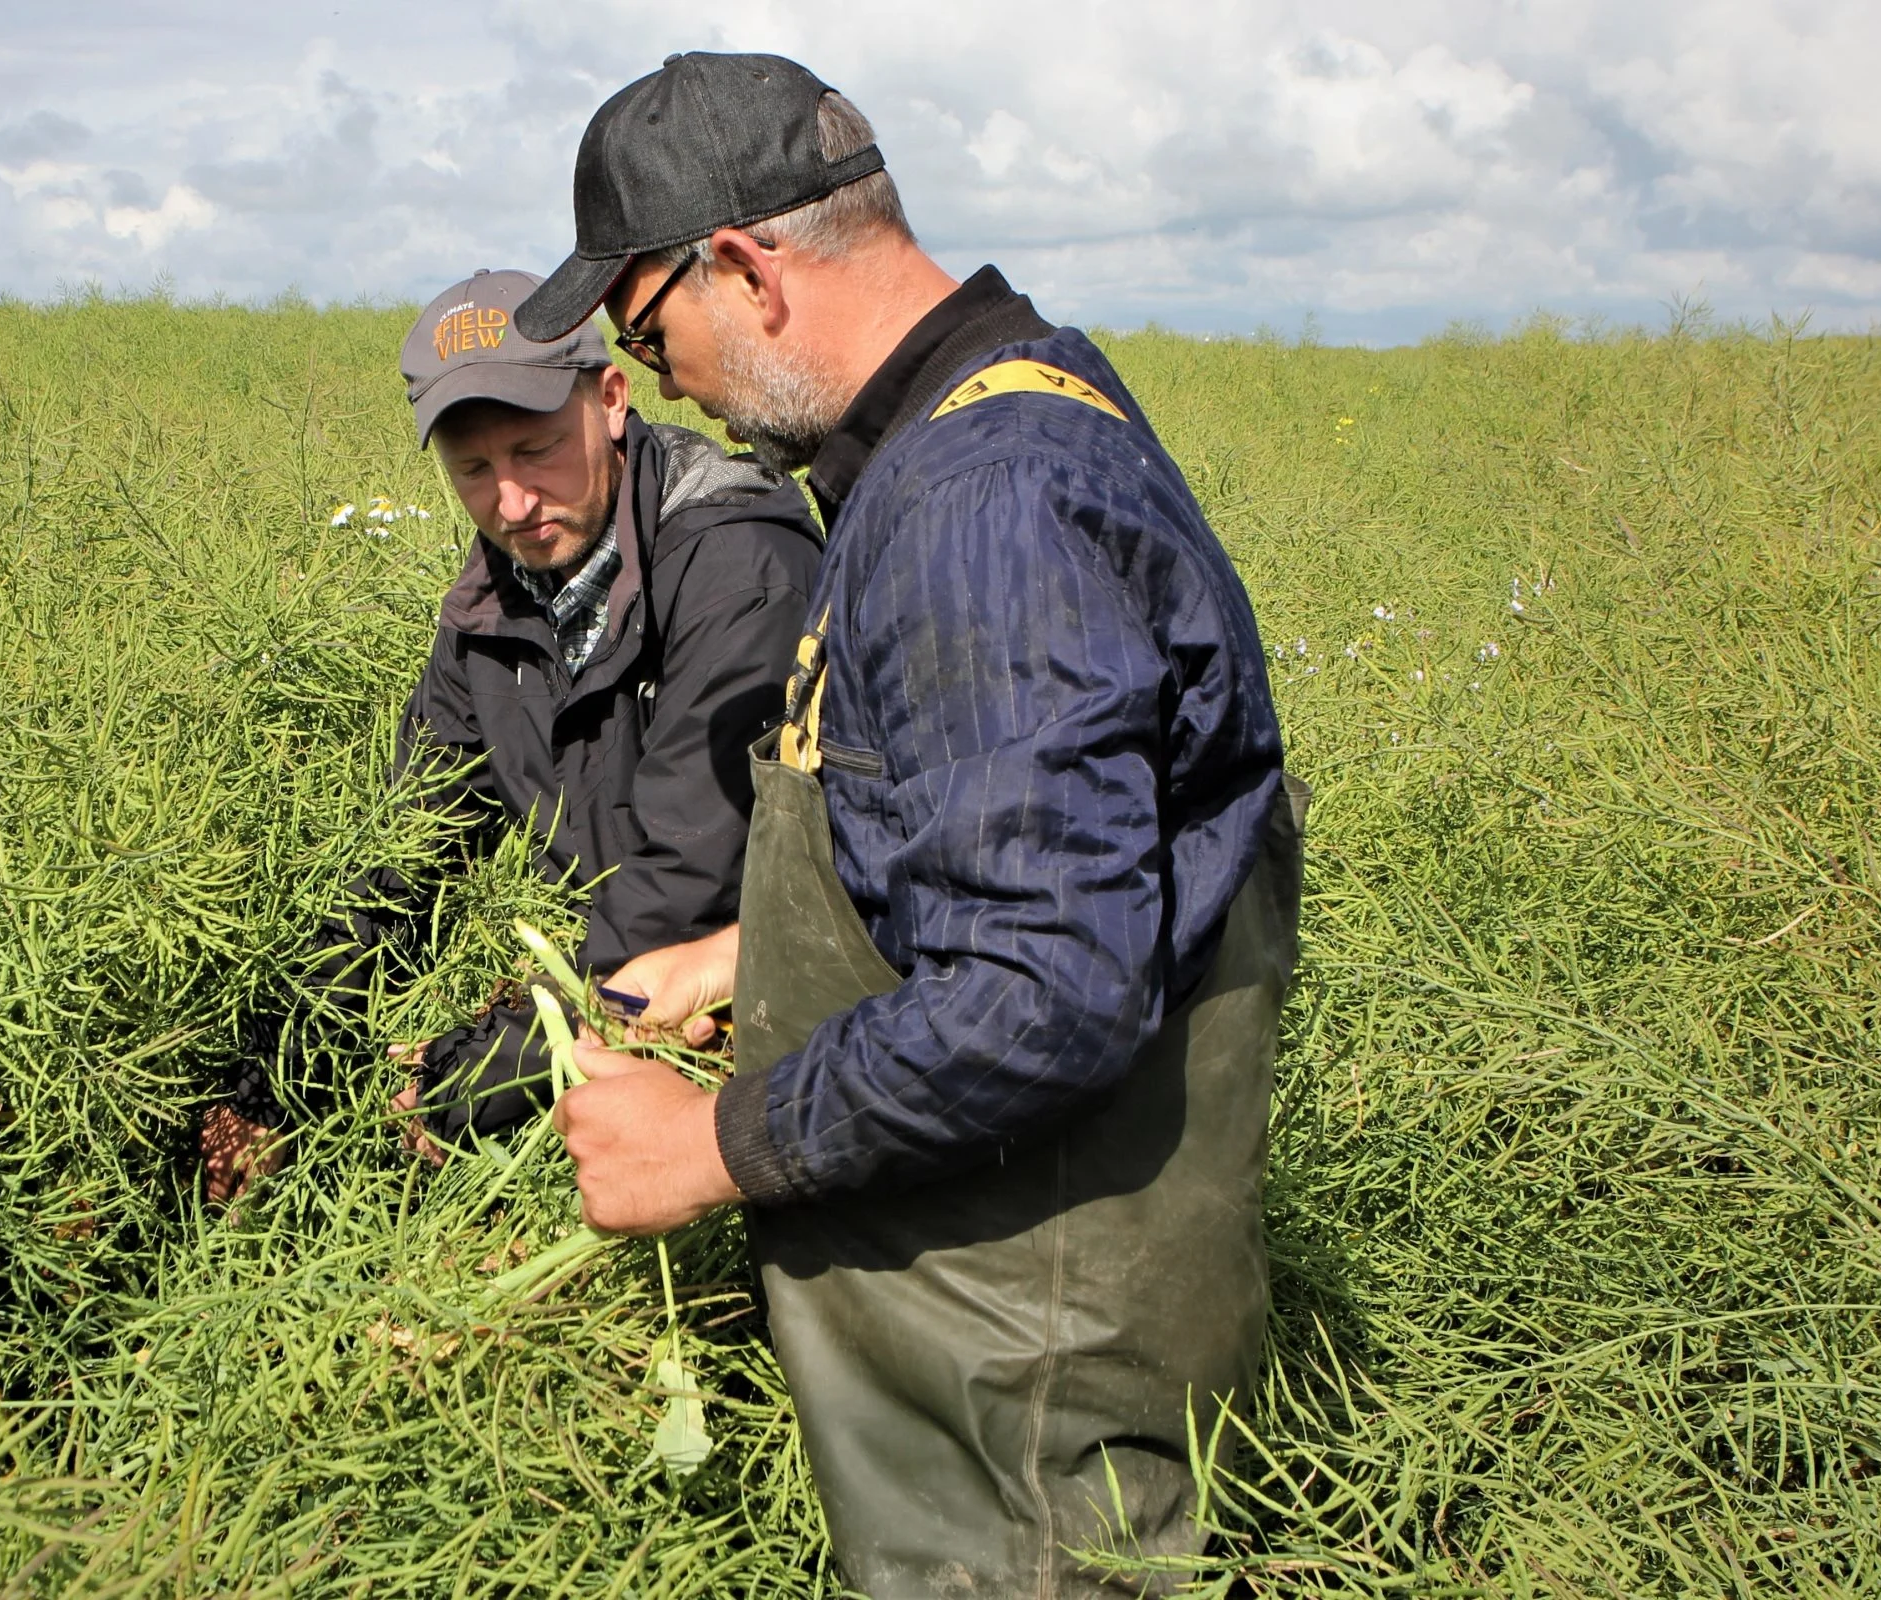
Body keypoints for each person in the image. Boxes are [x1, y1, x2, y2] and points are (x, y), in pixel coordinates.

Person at [514, 54, 1307, 1598]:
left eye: (643, 326)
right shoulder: (991, 416)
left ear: (741, 266)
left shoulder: (980, 504)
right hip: (996, 1340)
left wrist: (705, 1143)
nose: (656, 375)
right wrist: (740, 956)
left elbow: (1045, 990)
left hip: (1030, 1397)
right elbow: (1038, 856)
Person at [200, 267, 821, 1201]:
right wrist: (281, 1063)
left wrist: (475, 1075)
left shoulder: (736, 566)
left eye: (536, 452)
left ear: (611, 400)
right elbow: (411, 840)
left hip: (753, 1034)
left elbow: (685, 893)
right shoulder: (496, 600)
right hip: (593, 988)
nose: (514, 505)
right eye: (474, 471)